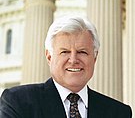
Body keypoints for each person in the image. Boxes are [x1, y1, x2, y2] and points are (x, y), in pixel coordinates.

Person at [0, 15, 132, 118]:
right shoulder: (18, 102)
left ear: (95, 57)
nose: (73, 60)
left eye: (82, 52)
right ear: (49, 57)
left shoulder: (118, 112)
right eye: (65, 52)